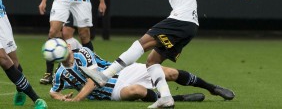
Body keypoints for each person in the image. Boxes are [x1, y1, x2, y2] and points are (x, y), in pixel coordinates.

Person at [80, 0, 253, 108]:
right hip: (186, 28)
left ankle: (104, 76)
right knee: (152, 62)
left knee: (141, 43)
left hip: (181, 21)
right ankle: (166, 98)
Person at [50, 38, 234, 103]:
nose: (67, 47)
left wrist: (76, 100)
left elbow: (94, 79)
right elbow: (52, 91)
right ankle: (177, 99)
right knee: (136, 91)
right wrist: (60, 97)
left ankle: (212, 88)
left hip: (121, 73)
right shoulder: (61, 74)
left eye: (65, 44)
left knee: (169, 73)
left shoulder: (82, 53)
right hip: (112, 92)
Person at [0, 0, 48, 108]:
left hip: (1, 16)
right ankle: (36, 99)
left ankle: (20, 89)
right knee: (3, 59)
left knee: (14, 62)